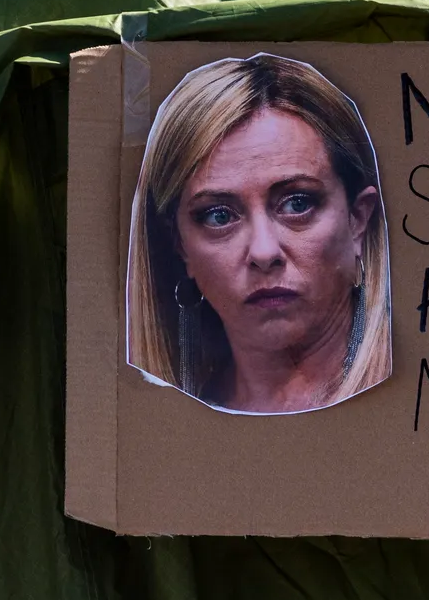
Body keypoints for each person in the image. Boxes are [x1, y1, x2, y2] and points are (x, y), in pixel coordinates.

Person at [127, 54, 392, 413]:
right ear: (181, 246)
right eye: (219, 215)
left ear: (358, 220)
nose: (264, 252)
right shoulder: (158, 425)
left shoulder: (420, 397)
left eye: (297, 204)